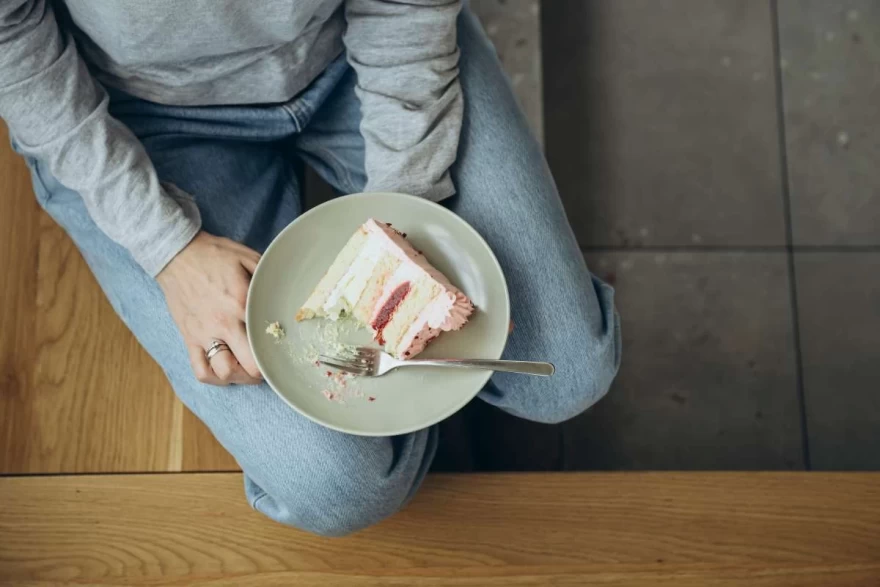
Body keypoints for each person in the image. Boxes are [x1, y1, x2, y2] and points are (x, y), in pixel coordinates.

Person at [0, 0, 621, 536]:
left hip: (356, 55)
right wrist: (168, 248)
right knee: (343, 487)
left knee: (565, 376)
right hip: (139, 116)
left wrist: (405, 209)